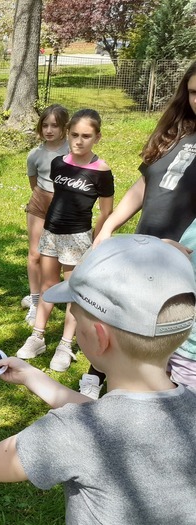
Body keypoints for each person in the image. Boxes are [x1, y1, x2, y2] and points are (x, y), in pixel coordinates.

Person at [0, 234, 196, 524]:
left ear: (99, 337)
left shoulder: (76, 432)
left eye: (75, 316)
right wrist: (34, 378)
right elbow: (121, 416)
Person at [89, 61, 196, 396]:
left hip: (181, 267)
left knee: (166, 346)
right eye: (194, 92)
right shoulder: (178, 133)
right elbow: (146, 184)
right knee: (130, 334)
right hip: (144, 257)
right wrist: (109, 226)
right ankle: (109, 389)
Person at [16, 109, 114, 373]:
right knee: (48, 285)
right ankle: (37, 337)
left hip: (77, 238)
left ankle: (65, 344)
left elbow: (106, 212)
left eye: (86, 136)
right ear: (68, 134)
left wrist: (96, 241)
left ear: (97, 137)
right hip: (51, 233)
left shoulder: (101, 171)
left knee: (73, 291)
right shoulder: (59, 163)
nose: (79, 141)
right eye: (74, 135)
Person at [22, 104, 69, 326]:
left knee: (61, 256)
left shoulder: (72, 152)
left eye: (55, 126)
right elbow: (34, 184)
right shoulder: (35, 155)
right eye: (45, 125)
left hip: (65, 206)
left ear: (65, 128)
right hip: (39, 204)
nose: (49, 130)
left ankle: (53, 293)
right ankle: (34, 301)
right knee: (35, 254)